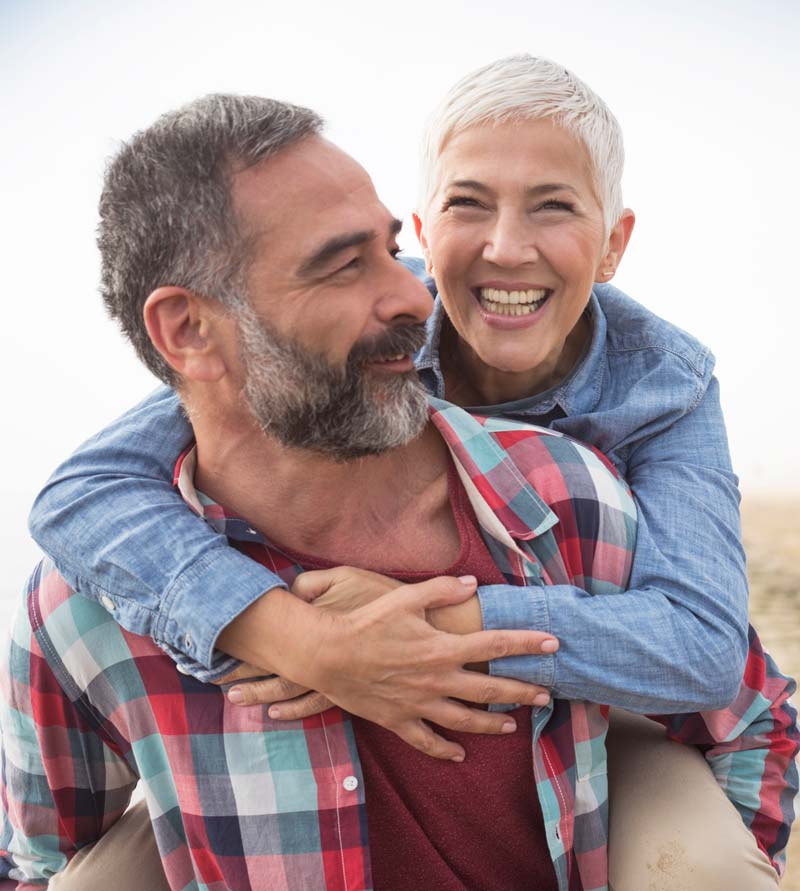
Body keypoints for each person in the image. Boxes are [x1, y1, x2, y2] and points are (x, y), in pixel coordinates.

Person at [21, 58, 798, 883]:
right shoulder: (372, 337)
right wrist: (306, 638)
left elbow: (710, 655)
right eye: (468, 205)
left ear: (614, 243)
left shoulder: (652, 402)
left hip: (598, 709)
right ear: (429, 230)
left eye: (554, 206)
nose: (504, 249)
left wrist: (447, 626)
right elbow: (86, 489)